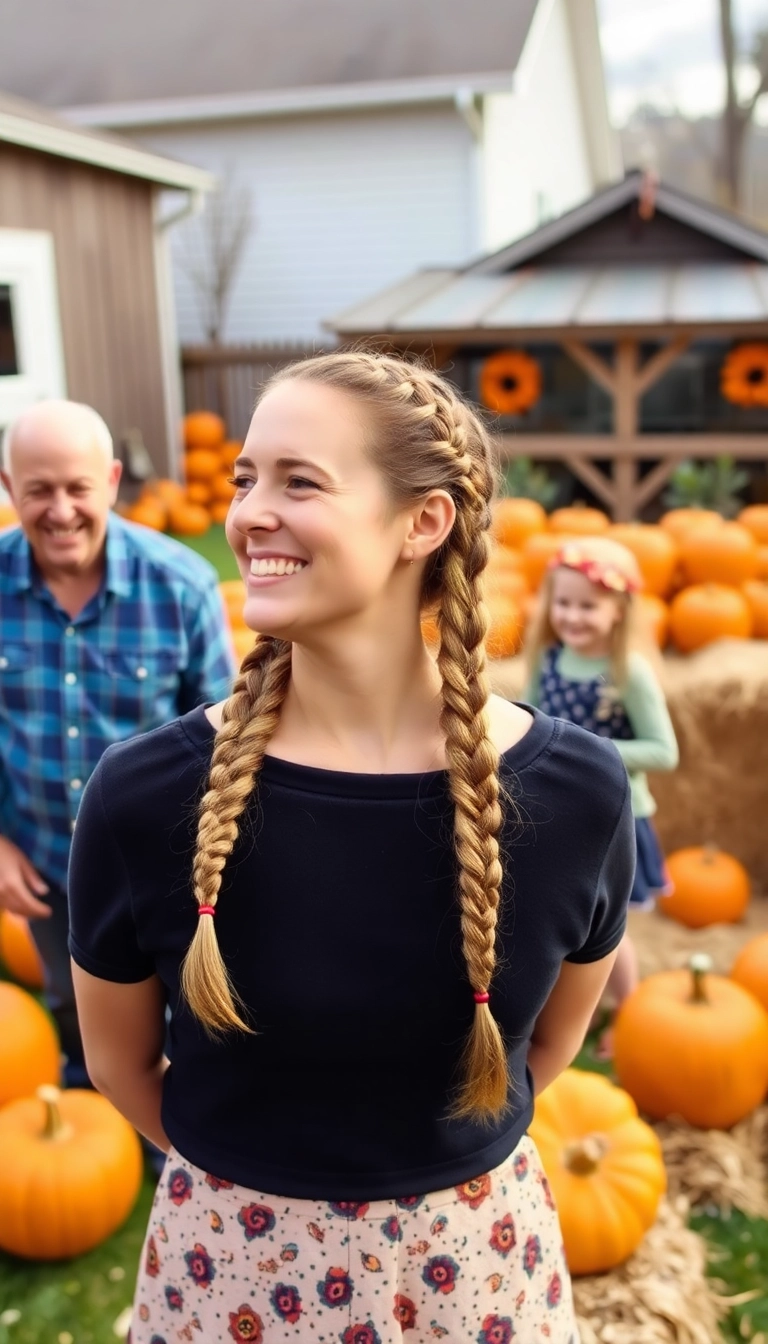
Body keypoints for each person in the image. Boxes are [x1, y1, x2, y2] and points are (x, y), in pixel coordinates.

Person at [68, 352, 635, 1344]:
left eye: (300, 481)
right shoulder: (145, 794)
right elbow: (118, 1067)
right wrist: (262, 1200)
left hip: (475, 1277)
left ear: (424, 522)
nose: (248, 514)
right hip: (228, 1270)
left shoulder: (578, 796)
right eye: (246, 479)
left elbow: (544, 1048)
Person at [0, 399, 235, 1087]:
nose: (61, 509)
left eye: (77, 487)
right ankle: (90, 1094)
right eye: (39, 490)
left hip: (163, 858)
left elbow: (226, 734)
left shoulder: (179, 587)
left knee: (180, 1002)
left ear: (110, 480)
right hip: (43, 859)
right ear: (10, 488)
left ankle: (176, 1129)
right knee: (75, 995)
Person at [523, 535, 679, 1058]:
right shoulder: (548, 659)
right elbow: (534, 721)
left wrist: (588, 751)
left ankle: (627, 1011)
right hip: (561, 810)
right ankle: (563, 1011)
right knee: (567, 918)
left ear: (619, 610)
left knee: (608, 929)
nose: (572, 616)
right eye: (563, 603)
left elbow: (664, 751)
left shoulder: (627, 673)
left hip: (615, 816)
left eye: (588, 605)